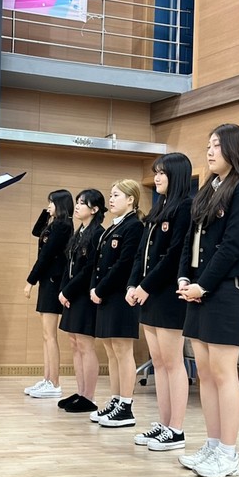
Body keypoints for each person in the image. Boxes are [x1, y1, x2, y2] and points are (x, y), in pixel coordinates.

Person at [176, 123, 239, 477]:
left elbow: (232, 245)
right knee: (205, 373)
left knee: (224, 372)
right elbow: (189, 240)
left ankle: (229, 453)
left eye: (217, 145)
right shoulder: (207, 190)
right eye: (208, 145)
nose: (210, 151)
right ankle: (213, 445)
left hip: (227, 289)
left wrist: (204, 286)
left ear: (234, 149)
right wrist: (185, 278)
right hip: (198, 288)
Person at [126, 153, 193, 451]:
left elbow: (175, 254)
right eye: (156, 172)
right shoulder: (157, 209)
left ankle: (176, 428)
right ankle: (164, 424)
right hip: (148, 294)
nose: (157, 177)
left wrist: (146, 286)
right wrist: (133, 284)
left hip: (167, 295)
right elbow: (141, 253)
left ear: (176, 175)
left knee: (172, 362)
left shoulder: (185, 207)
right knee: (159, 363)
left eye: (162, 173)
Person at [89, 179, 144, 428]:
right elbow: (98, 262)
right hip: (105, 295)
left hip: (121, 296)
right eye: (110, 195)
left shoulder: (134, 226)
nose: (111, 200)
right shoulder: (112, 227)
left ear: (131, 199)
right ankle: (115, 399)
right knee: (111, 351)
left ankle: (126, 405)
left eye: (116, 195)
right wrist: (94, 288)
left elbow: (124, 264)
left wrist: (100, 288)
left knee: (123, 351)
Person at [57, 189, 106, 413]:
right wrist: (64, 291)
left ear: (94, 209)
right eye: (77, 202)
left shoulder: (97, 234)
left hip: (84, 296)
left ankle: (89, 396)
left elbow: (89, 270)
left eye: (82, 203)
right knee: (74, 343)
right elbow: (68, 266)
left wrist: (68, 291)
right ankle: (80, 392)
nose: (77, 206)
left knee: (86, 345)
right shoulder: (79, 232)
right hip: (72, 295)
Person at [23, 190, 75, 398]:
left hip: (54, 282)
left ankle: (54, 383)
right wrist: (47, 212)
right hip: (47, 282)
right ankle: (47, 379)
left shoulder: (63, 226)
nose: (49, 205)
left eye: (52, 203)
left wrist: (30, 281)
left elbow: (45, 255)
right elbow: (36, 231)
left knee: (50, 335)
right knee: (46, 335)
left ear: (61, 205)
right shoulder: (54, 224)